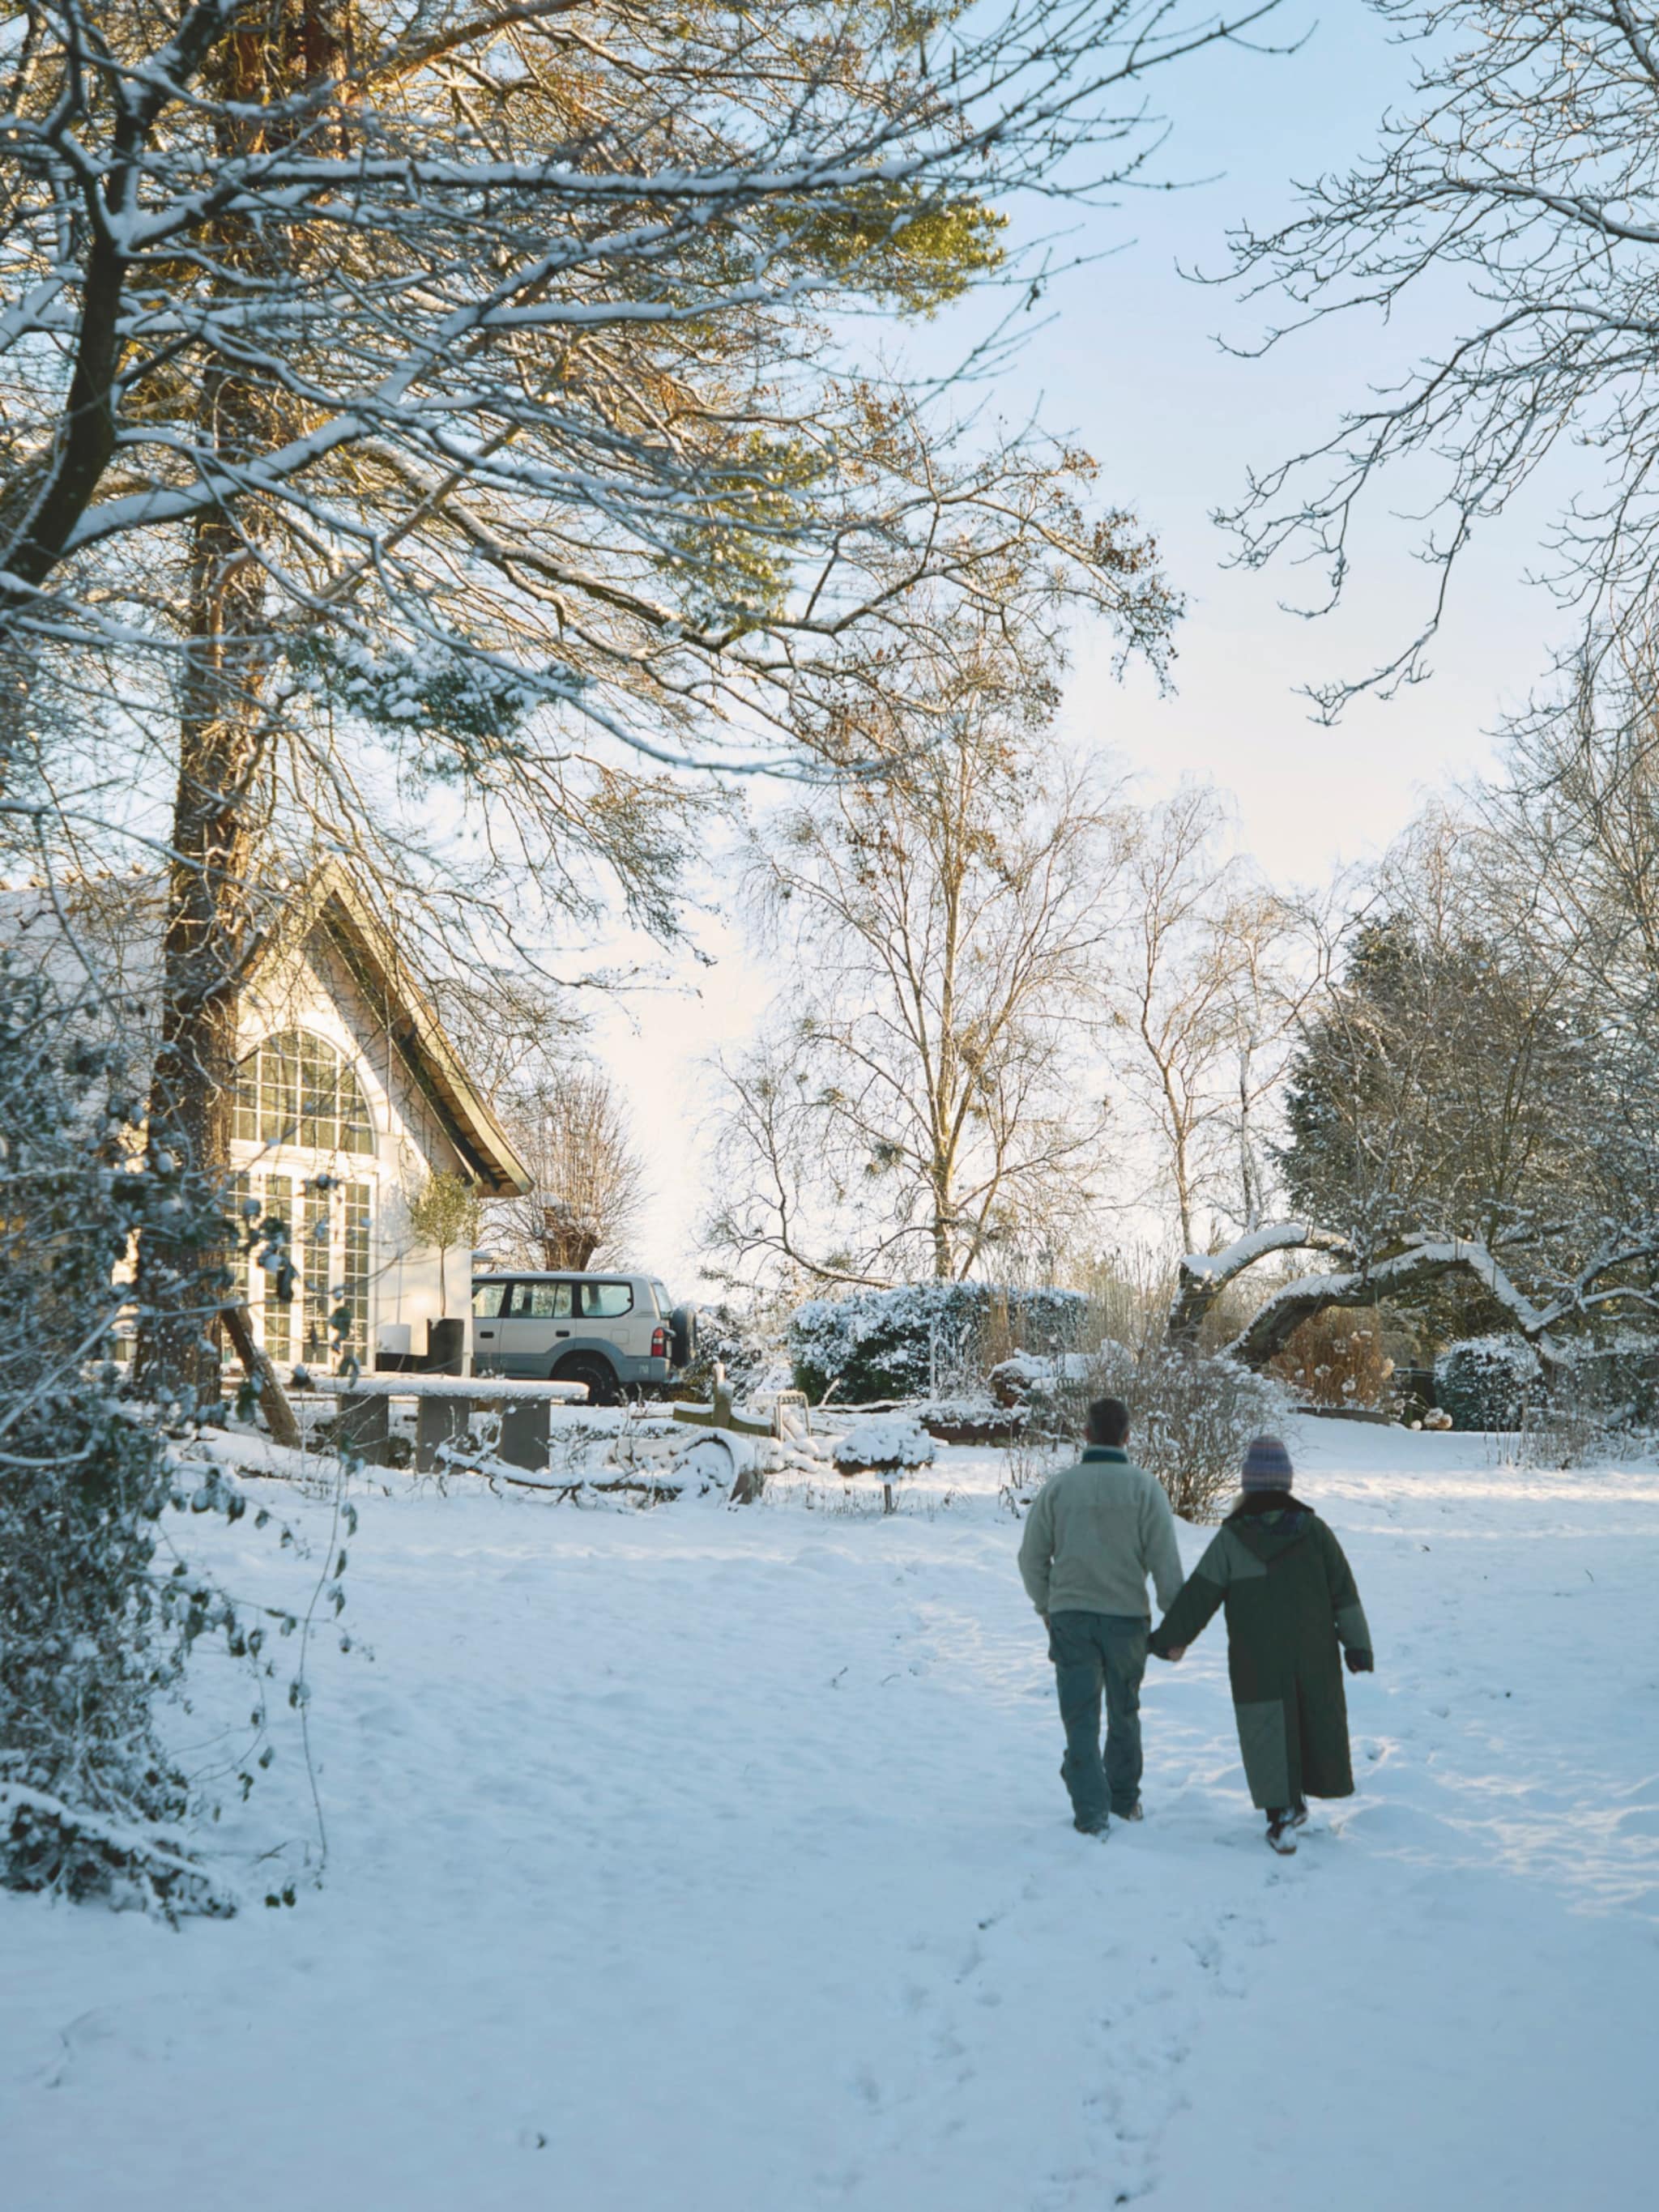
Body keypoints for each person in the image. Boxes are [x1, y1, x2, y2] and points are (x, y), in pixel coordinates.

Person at [1149, 1434, 1374, 1855]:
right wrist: (1357, 1646)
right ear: (1286, 1482)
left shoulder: (1234, 1538)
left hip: (1256, 1658)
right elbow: (1344, 1593)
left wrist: (1170, 1641)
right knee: (1312, 1721)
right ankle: (1294, 1804)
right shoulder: (1315, 1532)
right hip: (1314, 1653)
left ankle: (1282, 1812)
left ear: (1248, 1483)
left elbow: (1200, 1594)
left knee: (1267, 1727)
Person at [1017, 1396, 1183, 1837]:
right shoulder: (1145, 1489)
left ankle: (1090, 1813)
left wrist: (1048, 1606)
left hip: (1071, 1618)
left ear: (1086, 1433)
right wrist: (1177, 1626)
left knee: (1080, 1718)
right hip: (1127, 1620)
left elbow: (1031, 1559)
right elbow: (1165, 1564)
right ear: (1127, 1436)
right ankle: (1124, 1802)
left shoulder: (1059, 1489)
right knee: (1124, 1711)